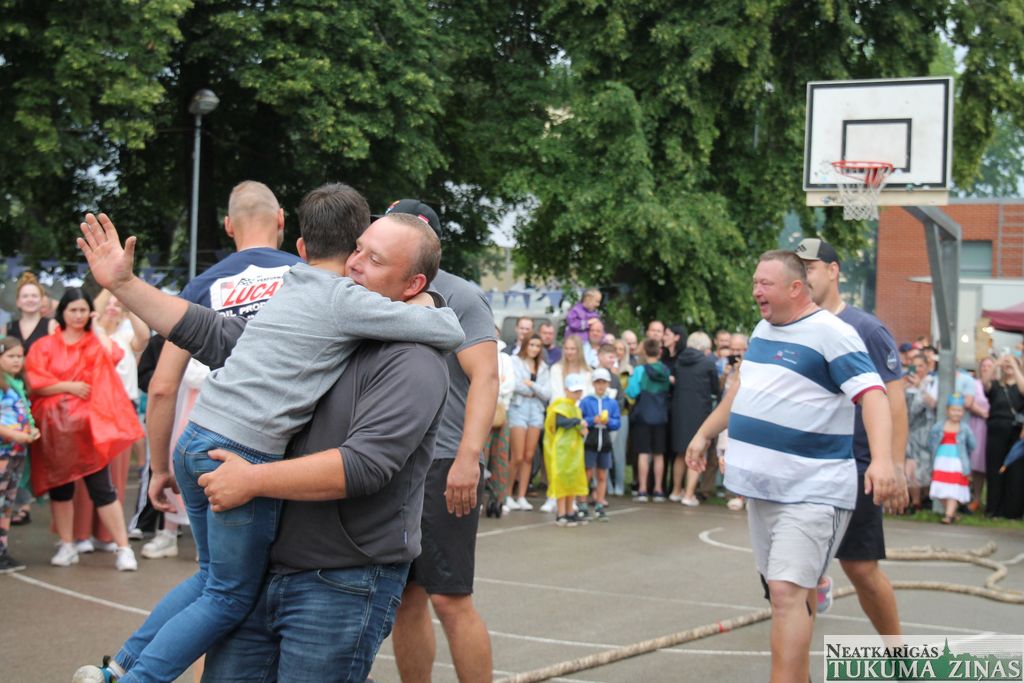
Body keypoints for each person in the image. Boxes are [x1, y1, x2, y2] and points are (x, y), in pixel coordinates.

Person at [72, 189, 465, 683]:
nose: (355, 262)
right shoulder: (328, 317)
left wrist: (253, 480)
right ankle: (125, 670)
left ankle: (129, 673)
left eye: (374, 258)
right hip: (270, 565)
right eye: (357, 248)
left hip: (339, 580)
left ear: (413, 284)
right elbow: (214, 333)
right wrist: (125, 285)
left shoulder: (410, 356)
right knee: (219, 590)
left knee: (218, 590)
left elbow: (365, 465)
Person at [685, 250, 894, 683]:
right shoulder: (763, 330)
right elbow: (740, 391)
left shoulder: (833, 334)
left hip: (812, 490)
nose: (755, 291)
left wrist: (883, 460)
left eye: (765, 283)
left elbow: (874, 395)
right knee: (782, 594)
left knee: (786, 593)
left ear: (796, 288)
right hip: (764, 492)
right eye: (755, 282)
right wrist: (704, 433)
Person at [138, 180, 300, 560]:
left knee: (221, 575)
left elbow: (162, 387)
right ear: (280, 219)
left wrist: (159, 468)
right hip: (296, 449)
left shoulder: (201, 287)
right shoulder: (308, 275)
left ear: (229, 226)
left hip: (222, 450)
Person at [385, 200, 499, 683]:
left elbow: (486, 378)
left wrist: (468, 459)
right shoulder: (377, 289)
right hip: (391, 462)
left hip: (443, 462)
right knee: (403, 599)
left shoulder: (460, 295)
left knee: (451, 599)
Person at [796, 237, 908, 637]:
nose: (803, 276)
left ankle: (898, 653)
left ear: (833, 271)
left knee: (861, 568)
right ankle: (794, 664)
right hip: (807, 465)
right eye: (798, 269)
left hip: (856, 465)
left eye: (810, 268)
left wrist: (893, 464)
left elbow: (894, 401)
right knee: (798, 571)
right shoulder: (792, 327)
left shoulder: (866, 329)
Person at [25, 289, 143, 572]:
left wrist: (97, 327)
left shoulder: (95, 343)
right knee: (61, 490)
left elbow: (114, 356)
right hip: (55, 433)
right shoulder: (44, 345)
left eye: (82, 310)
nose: (77, 316)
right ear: (62, 312)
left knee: (103, 490)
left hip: (90, 432)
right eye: (73, 310)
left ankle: (123, 547)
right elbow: (35, 382)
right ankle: (67, 545)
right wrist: (69, 386)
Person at [71, 291, 150, 556]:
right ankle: (80, 533)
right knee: (87, 473)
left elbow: (144, 337)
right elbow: (91, 308)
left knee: (115, 475)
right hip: (93, 408)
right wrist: (110, 285)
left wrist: (130, 303)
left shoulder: (125, 336)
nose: (113, 307)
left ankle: (106, 534)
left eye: (118, 304)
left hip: (122, 410)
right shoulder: (88, 334)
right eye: (110, 303)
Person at [6, 272, 58, 526]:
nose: (29, 300)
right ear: (18, 301)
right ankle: (21, 503)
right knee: (17, 449)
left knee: (43, 448)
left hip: (42, 393)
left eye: (34, 295)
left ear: (41, 299)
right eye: (25, 296)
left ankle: (47, 495)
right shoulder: (9, 328)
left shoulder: (51, 325)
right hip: (16, 395)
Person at [669, 331, 720, 507]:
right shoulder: (708, 364)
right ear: (705, 347)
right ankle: (689, 494)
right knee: (697, 453)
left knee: (680, 453)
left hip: (679, 411)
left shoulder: (679, 361)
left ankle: (676, 491)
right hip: (699, 412)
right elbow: (715, 389)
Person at [0, 336, 38, 572]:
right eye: (10, 356)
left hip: (16, 453)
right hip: (3, 452)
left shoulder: (17, 383)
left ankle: (2, 549)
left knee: (7, 504)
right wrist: (15, 435)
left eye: (20, 356)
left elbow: (24, 413)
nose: (16, 360)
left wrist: (30, 430)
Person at [507, 334, 551, 512]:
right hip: (518, 409)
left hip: (536, 412)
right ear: (525, 345)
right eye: (532, 344)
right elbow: (515, 385)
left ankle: (522, 496)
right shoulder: (514, 361)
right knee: (517, 456)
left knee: (528, 456)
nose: (534, 348)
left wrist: (532, 386)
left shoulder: (544, 367)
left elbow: (546, 394)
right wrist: (533, 390)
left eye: (538, 346)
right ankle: (507, 495)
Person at [625, 338, 671, 502]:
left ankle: (643, 489)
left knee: (643, 454)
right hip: (661, 417)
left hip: (643, 416)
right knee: (659, 455)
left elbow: (632, 392)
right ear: (659, 352)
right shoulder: (665, 370)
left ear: (644, 351)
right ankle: (658, 489)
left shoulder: (640, 370)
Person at [982, 354, 1024, 518]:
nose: (1008, 366)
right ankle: (993, 509)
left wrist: (1015, 366)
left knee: (1015, 469)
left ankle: (1012, 511)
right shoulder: (996, 386)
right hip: (996, 430)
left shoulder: (1019, 384)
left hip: (1016, 430)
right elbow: (984, 383)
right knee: (995, 469)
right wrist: (996, 364)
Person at [545, 373, 589, 526]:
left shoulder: (576, 409)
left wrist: (581, 429)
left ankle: (570, 511)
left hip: (574, 450)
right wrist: (578, 422)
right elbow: (560, 422)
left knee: (572, 480)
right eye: (574, 391)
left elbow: (576, 425)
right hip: (562, 450)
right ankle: (561, 513)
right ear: (566, 390)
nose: (577, 394)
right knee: (562, 480)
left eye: (579, 391)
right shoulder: (560, 406)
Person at [580, 367, 621, 520]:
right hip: (590, 439)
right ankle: (582, 503)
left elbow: (617, 423)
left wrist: (608, 421)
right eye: (598, 382)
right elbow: (580, 419)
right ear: (593, 383)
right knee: (587, 473)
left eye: (603, 382)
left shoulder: (611, 403)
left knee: (602, 474)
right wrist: (592, 420)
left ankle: (600, 504)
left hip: (604, 439)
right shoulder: (586, 401)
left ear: (608, 384)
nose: (601, 386)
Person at [483, 327, 516, 518]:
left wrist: (492, 386)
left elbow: (509, 384)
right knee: (482, 455)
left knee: (501, 456)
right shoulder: (478, 353)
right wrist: (493, 384)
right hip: (481, 410)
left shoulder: (505, 358)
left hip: (501, 411)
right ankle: (478, 497)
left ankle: (498, 498)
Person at [928, 393, 975, 524]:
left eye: (959, 410)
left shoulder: (965, 428)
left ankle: (948, 515)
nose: (956, 413)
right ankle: (952, 513)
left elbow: (973, 444)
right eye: (953, 410)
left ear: (963, 412)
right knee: (940, 488)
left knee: (954, 488)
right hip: (941, 461)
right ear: (947, 410)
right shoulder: (939, 426)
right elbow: (930, 441)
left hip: (957, 462)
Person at [904, 354, 937, 510]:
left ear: (927, 367)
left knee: (925, 464)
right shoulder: (904, 383)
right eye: (914, 366)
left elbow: (933, 404)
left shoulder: (932, 382)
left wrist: (920, 387)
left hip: (925, 430)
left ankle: (925, 498)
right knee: (910, 464)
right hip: (908, 429)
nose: (917, 369)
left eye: (920, 366)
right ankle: (914, 501)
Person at [967, 358, 992, 509]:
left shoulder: (996, 384)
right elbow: (970, 402)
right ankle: (976, 498)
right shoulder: (974, 384)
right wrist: (983, 413)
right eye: (984, 365)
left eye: (989, 366)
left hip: (992, 428)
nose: (986, 368)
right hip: (977, 425)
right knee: (976, 463)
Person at [610, 339, 633, 496]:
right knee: (606, 452)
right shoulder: (604, 369)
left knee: (619, 452)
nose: (618, 352)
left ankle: (619, 485)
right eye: (615, 349)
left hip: (622, 414)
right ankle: (607, 486)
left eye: (621, 349)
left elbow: (630, 394)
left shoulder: (629, 371)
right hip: (604, 415)